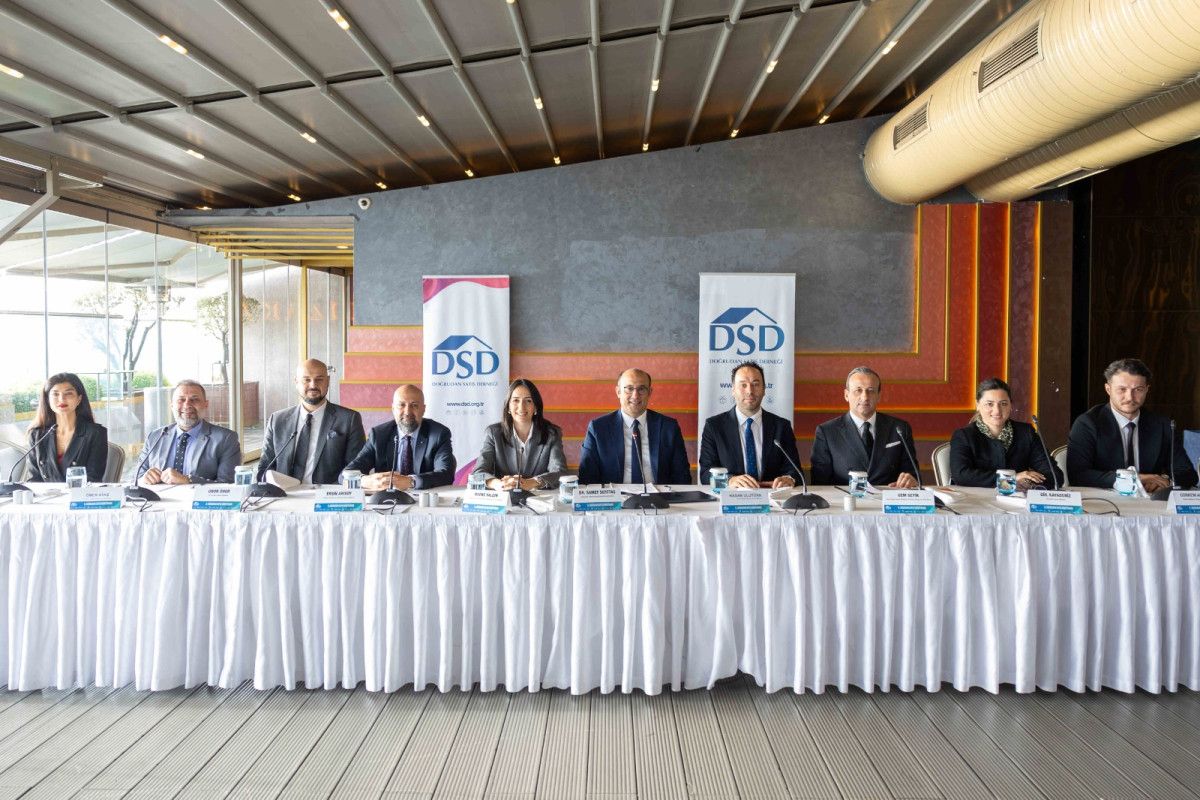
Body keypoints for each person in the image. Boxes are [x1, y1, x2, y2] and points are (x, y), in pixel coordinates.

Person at [1067, 358, 1197, 491]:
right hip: (1105, 499)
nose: (1130, 397)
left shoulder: (1162, 425)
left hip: (1150, 499)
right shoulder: (1087, 424)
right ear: (1108, 389)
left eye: (1138, 389)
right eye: (1122, 389)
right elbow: (1077, 475)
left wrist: (1165, 480)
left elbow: (1188, 474)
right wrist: (1133, 479)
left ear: (1146, 390)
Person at [257, 358, 365, 485]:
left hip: (328, 494)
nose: (313, 385)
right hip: (284, 493)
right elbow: (264, 468)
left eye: (319, 379)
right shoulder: (277, 420)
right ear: (296, 382)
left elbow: (355, 469)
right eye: (306, 380)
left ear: (328, 381)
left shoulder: (349, 419)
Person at [577, 368, 691, 486]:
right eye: (629, 388)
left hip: (659, 495)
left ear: (649, 392)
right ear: (618, 392)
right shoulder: (598, 428)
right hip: (614, 496)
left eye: (641, 389)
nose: (635, 395)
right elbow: (587, 479)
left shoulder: (669, 428)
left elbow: (682, 477)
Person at [810, 366, 919, 487]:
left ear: (879, 395)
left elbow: (912, 474)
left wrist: (911, 480)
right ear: (846, 395)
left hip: (888, 497)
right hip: (846, 498)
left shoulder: (899, 429)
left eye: (871, 390)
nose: (865, 397)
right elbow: (819, 484)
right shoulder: (827, 432)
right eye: (858, 390)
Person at [698, 361, 801, 489]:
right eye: (743, 385)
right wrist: (730, 480)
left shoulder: (782, 426)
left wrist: (789, 479)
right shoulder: (714, 426)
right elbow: (705, 473)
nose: (750, 391)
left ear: (764, 389)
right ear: (733, 390)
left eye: (755, 384)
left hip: (773, 497)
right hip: (731, 497)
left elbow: (795, 471)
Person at [949, 377, 1063, 489]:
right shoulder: (963, 436)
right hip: (977, 499)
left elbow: (1055, 475)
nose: (997, 410)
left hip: (1017, 499)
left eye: (1003, 404)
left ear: (1010, 405)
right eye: (989, 404)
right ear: (977, 405)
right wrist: (1011, 480)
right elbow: (961, 475)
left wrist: (1029, 483)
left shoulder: (1026, 433)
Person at [343, 384, 456, 490]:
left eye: (414, 405)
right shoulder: (378, 435)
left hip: (424, 499)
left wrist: (411, 481)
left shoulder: (438, 434)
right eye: (401, 405)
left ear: (423, 409)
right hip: (386, 499)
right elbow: (346, 474)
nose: (407, 412)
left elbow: (446, 475)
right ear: (393, 409)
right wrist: (364, 481)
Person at [472, 378, 569, 491]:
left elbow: (560, 473)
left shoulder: (551, 434)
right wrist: (500, 484)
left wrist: (533, 482)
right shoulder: (494, 433)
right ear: (508, 406)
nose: (521, 407)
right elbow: (478, 473)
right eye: (516, 400)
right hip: (504, 497)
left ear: (536, 407)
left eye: (528, 401)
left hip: (539, 498)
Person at [140, 380, 242, 485]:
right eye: (181, 400)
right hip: (158, 496)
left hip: (199, 496)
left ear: (205, 404)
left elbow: (227, 485)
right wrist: (144, 478)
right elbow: (136, 478)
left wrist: (187, 480)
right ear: (172, 405)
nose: (187, 405)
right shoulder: (155, 437)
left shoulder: (226, 439)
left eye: (194, 399)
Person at [25, 372, 109, 482]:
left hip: (80, 493)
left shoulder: (96, 433)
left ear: (79, 399)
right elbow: (34, 481)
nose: (62, 399)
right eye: (55, 394)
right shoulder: (37, 435)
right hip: (46, 494)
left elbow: (93, 479)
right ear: (47, 400)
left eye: (68, 394)